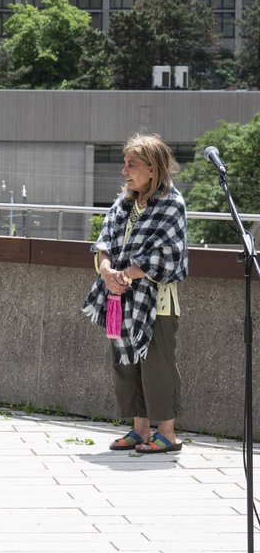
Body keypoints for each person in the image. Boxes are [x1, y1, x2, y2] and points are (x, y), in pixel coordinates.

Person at [83, 133, 189, 454]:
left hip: (156, 301)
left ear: (153, 169)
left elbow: (168, 253)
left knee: (156, 363)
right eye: (124, 164)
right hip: (118, 298)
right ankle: (140, 429)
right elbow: (103, 243)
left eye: (132, 164)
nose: (124, 171)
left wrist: (126, 274)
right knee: (125, 364)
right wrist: (107, 272)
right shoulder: (123, 203)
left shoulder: (172, 204)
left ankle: (167, 433)